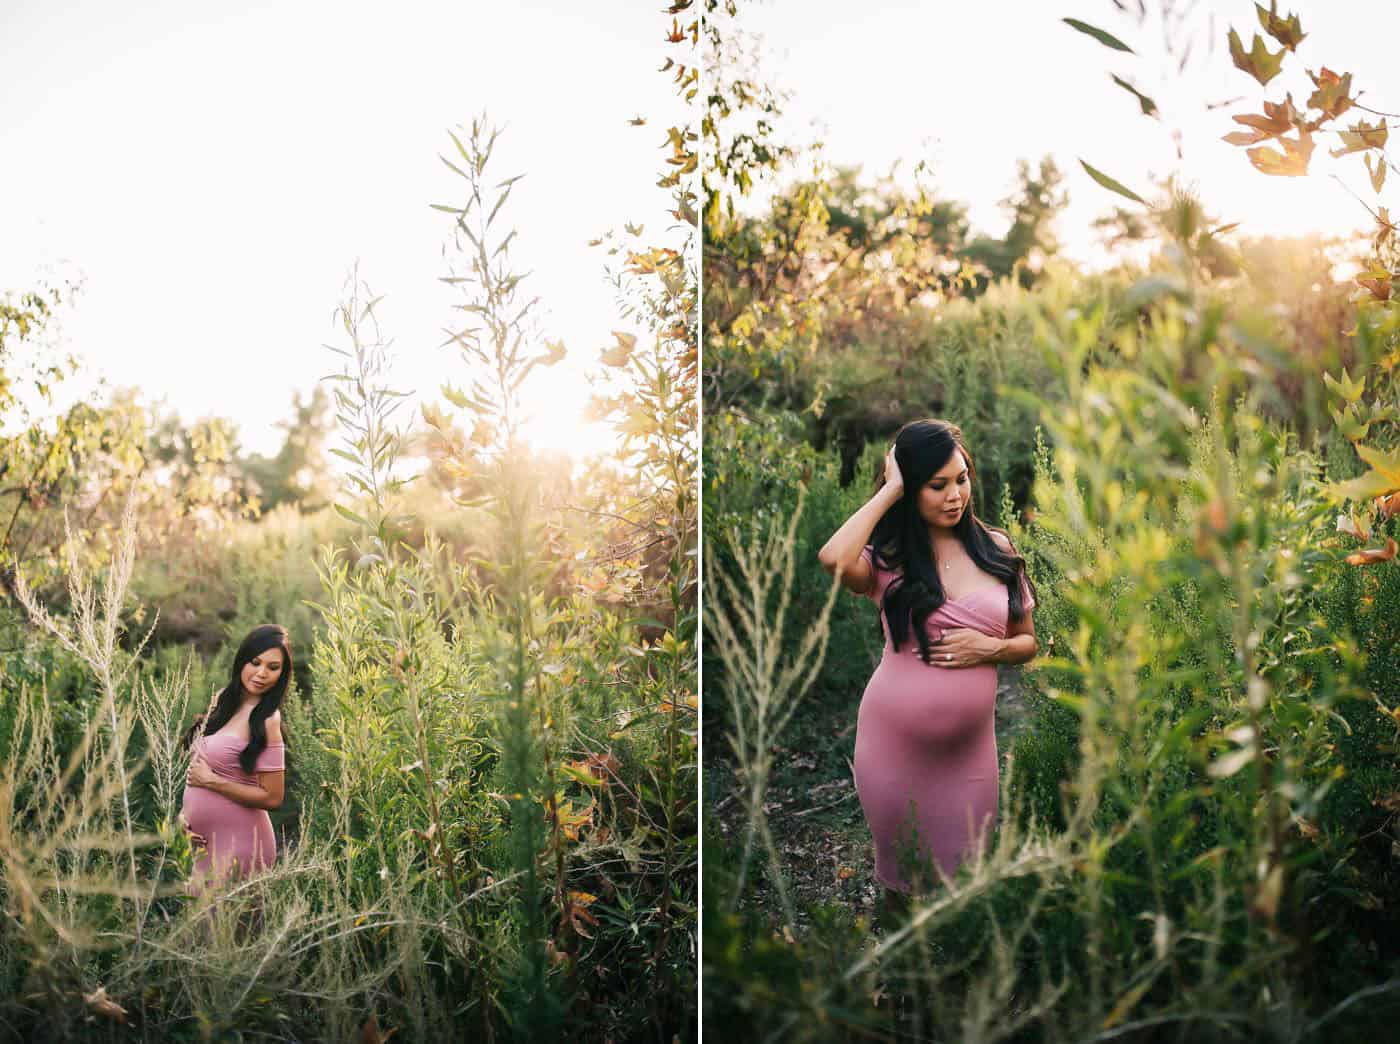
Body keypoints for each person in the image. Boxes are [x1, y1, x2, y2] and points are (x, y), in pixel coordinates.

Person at [817, 419, 1038, 907]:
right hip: (892, 750)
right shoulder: (886, 561)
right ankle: (903, 980)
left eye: (961, 478)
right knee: (903, 889)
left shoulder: (996, 549)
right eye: (936, 485)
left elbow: (1027, 643)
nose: (954, 495)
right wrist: (890, 489)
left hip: (969, 756)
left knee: (967, 886)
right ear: (911, 490)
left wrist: (990, 648)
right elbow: (833, 559)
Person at [180, 624, 290, 891]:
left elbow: (273, 798)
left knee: (224, 928)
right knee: (200, 929)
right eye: (255, 662)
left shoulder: (268, 720)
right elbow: (198, 769)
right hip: (202, 846)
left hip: (241, 845)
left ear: (282, 674)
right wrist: (184, 819)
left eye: (273, 667)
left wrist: (212, 782)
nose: (262, 673)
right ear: (242, 660)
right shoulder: (222, 701)